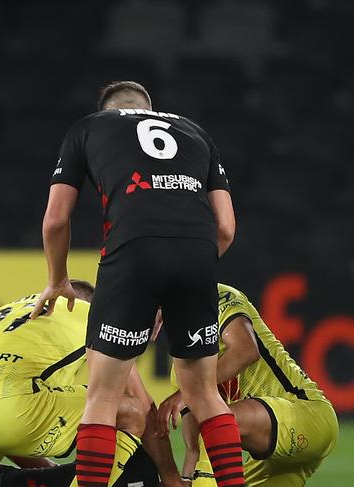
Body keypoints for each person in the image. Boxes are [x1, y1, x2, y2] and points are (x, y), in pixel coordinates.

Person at [31, 81, 243, 487]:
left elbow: (56, 219)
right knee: (204, 393)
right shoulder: (195, 132)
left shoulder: (88, 128)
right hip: (198, 253)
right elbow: (227, 227)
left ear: (108, 109)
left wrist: (58, 280)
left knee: (103, 396)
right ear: (149, 108)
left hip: (131, 251)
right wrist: (186, 268)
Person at [0, 280, 188, 487]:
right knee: (131, 411)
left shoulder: (3, 314)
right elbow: (142, 405)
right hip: (11, 410)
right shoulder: (96, 314)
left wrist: (47, 469)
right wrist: (172, 479)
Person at [157, 283, 339, 486]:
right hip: (267, 456)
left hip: (307, 413)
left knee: (217, 422)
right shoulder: (180, 371)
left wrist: (190, 392)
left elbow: (246, 351)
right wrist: (185, 480)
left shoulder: (216, 297)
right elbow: (195, 449)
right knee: (213, 435)